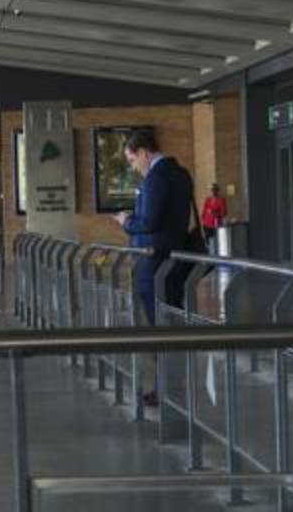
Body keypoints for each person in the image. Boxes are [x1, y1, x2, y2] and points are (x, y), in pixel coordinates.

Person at [113, 131, 193, 405]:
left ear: (145, 153)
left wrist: (126, 221)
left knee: (162, 325)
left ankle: (167, 389)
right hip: (174, 261)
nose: (133, 167)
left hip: (155, 263)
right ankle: (171, 385)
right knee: (170, 321)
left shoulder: (156, 178)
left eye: (132, 160)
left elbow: (149, 223)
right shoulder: (180, 173)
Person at [201, 183, 228, 254]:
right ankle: (209, 253)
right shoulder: (208, 199)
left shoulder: (221, 200)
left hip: (216, 224)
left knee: (216, 241)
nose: (212, 192)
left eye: (213, 190)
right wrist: (203, 219)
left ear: (217, 190)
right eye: (211, 190)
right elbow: (204, 209)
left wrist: (214, 213)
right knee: (208, 241)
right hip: (207, 224)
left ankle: (215, 254)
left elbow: (224, 213)